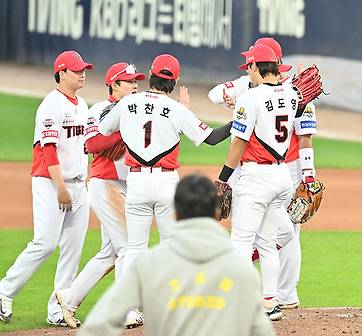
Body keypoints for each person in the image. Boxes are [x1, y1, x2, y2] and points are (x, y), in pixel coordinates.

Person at [77, 174, 275, 336]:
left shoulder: (148, 265)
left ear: (175, 214)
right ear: (216, 215)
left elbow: (97, 327)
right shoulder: (242, 270)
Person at [98, 54, 232, 276]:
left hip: (137, 182)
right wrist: (238, 120)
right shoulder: (177, 109)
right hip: (166, 183)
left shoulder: (129, 102)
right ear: (174, 82)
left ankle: (131, 310)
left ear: (150, 76)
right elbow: (212, 138)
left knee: (135, 248)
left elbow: (104, 128)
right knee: (171, 245)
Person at [209, 37, 318, 310]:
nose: (248, 71)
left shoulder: (250, 97)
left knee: (241, 241)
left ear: (256, 67)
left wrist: (223, 177)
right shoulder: (292, 95)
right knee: (269, 243)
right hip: (282, 176)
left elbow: (239, 142)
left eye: (249, 67)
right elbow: (300, 113)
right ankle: (271, 301)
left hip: (255, 178)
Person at [0, 51, 92, 326]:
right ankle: (4, 291)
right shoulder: (50, 105)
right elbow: (48, 149)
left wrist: (81, 180)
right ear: (62, 73)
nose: (82, 73)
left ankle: (57, 309)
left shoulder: (83, 104)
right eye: (76, 70)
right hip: (51, 183)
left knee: (73, 249)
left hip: (77, 185)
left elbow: (81, 147)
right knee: (45, 242)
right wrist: (61, 187)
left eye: (83, 69)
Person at [54, 62, 146, 329]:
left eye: (136, 81)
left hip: (129, 186)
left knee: (110, 253)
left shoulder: (138, 109)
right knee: (129, 247)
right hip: (106, 184)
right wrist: (121, 128)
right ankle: (126, 309)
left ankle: (69, 299)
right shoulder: (101, 110)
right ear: (114, 85)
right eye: (129, 82)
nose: (135, 85)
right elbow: (91, 144)